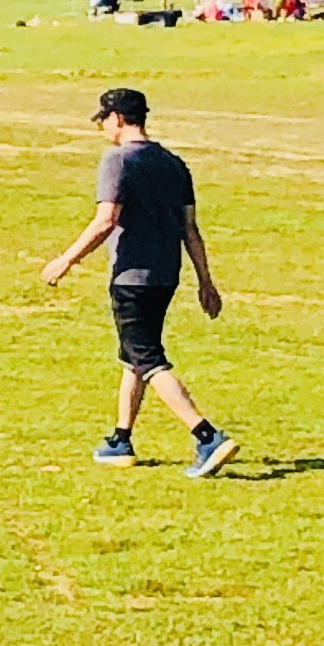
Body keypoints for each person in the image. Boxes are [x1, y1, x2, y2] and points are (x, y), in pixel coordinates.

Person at [40, 86, 236, 478]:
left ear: (116, 118)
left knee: (148, 359)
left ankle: (207, 436)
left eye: (104, 121)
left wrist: (66, 260)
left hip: (132, 278)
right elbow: (190, 229)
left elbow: (106, 220)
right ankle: (120, 439)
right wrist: (205, 281)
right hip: (165, 275)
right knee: (134, 356)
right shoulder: (173, 164)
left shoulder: (118, 160)